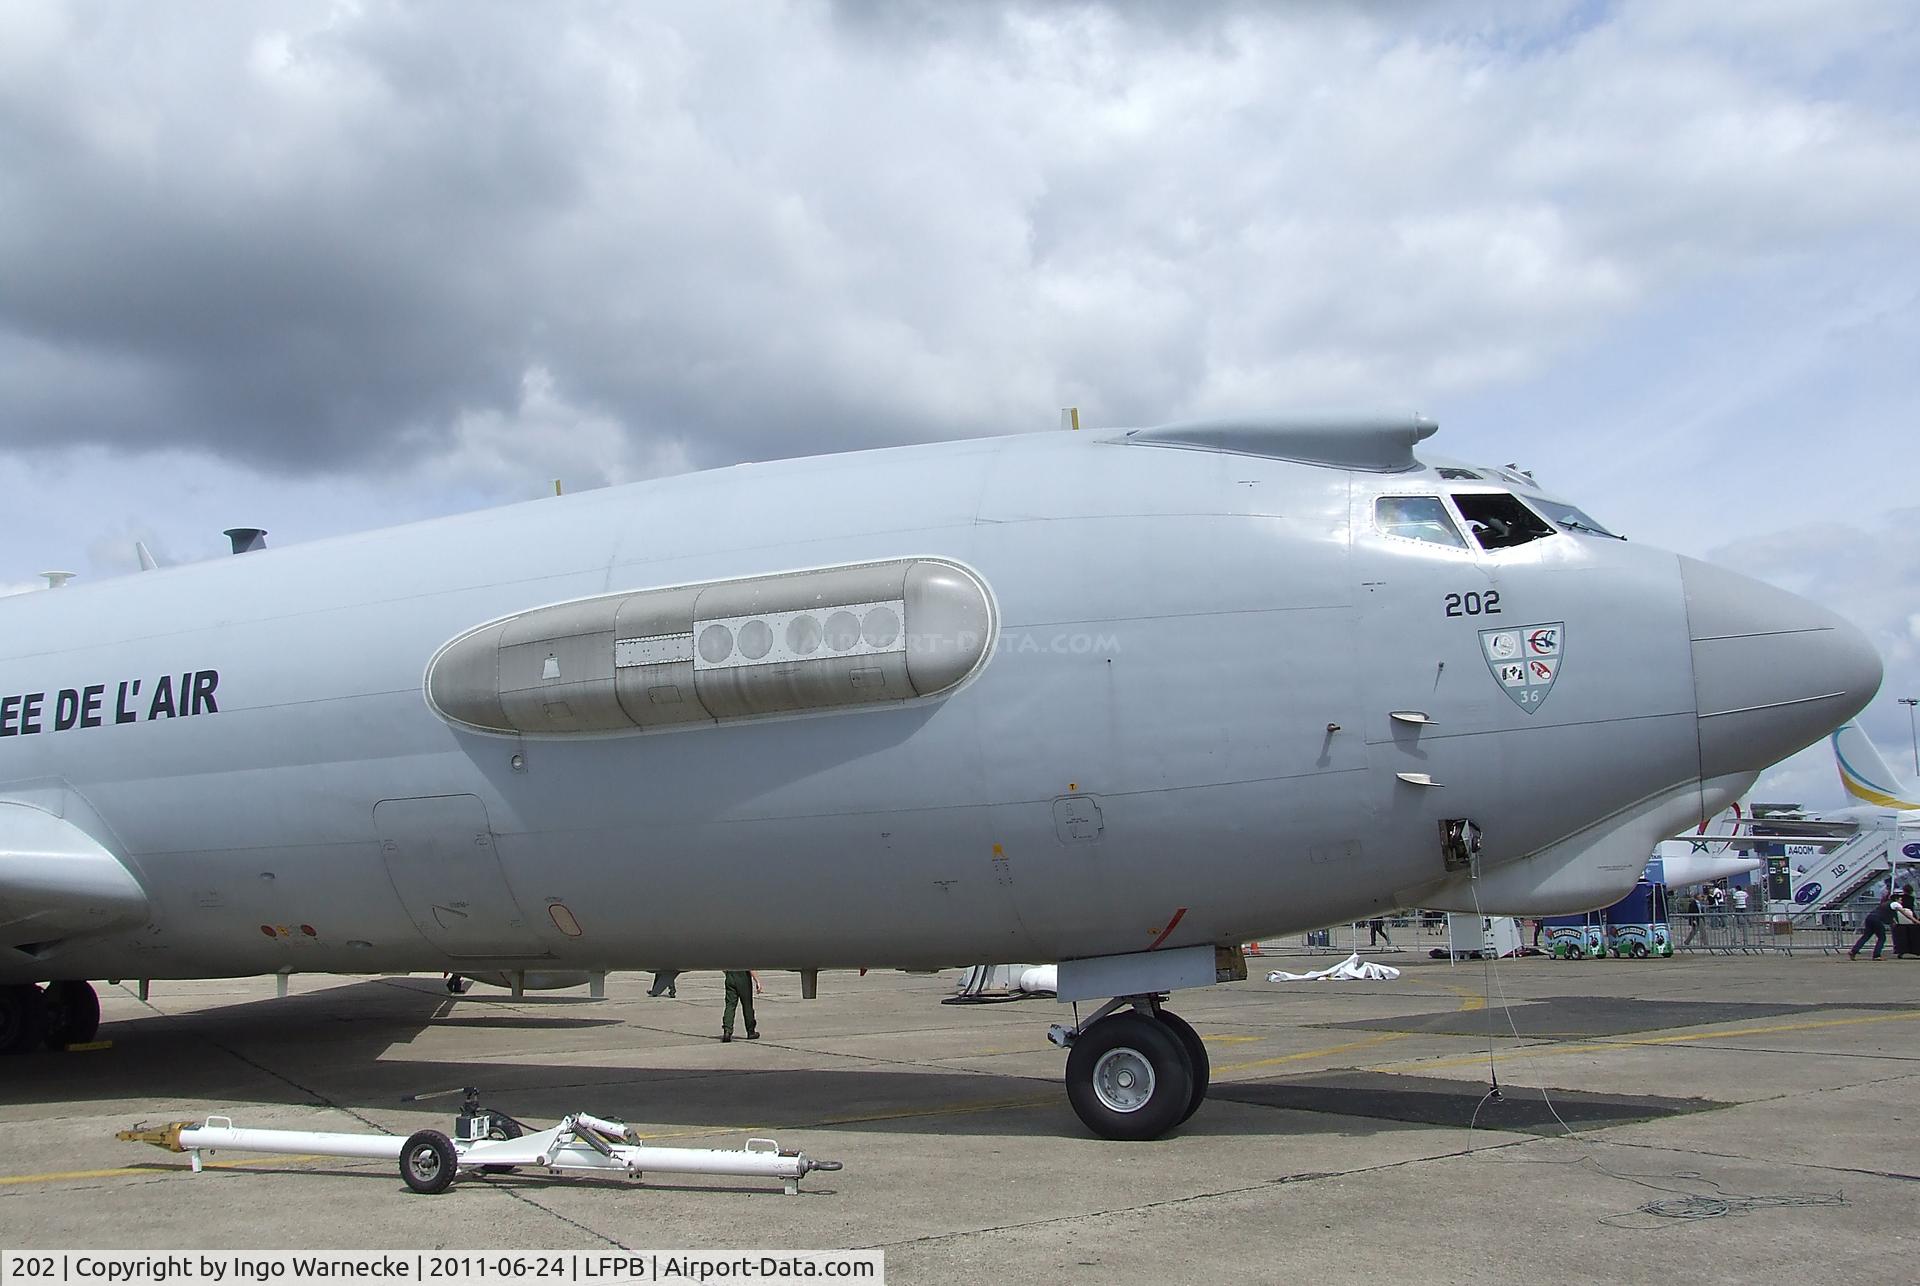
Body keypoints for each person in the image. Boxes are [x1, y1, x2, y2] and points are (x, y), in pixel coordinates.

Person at [1850, 892, 1895, 960]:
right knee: (1882, 938)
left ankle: (1854, 951)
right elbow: (1888, 919)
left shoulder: (1883, 904)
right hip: (1877, 920)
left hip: (1870, 918)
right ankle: (1876, 955)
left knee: (1865, 936)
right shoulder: (1892, 905)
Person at [721, 969, 762, 1041]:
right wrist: (757, 981)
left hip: (730, 977)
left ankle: (727, 1031)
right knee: (747, 1006)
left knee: (730, 1006)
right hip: (743, 979)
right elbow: (750, 967)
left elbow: (722, 966)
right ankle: (750, 1031)